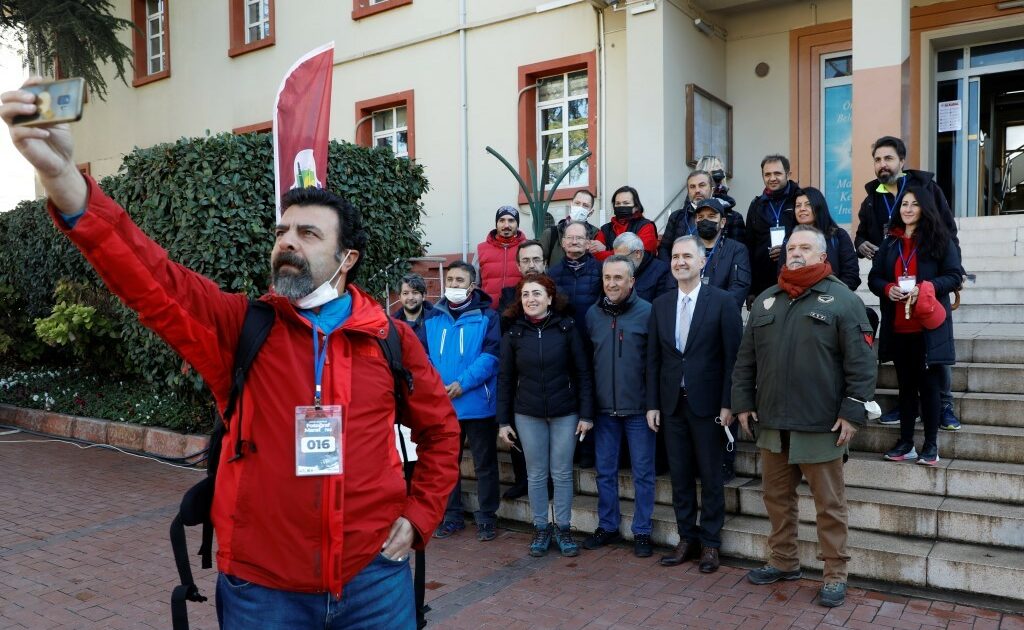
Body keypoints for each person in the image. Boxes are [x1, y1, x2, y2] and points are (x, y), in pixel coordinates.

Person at [0, 81, 462, 629]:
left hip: (373, 581)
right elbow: (153, 278)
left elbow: (440, 432)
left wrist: (420, 515)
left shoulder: (389, 338)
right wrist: (66, 182)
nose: (287, 241)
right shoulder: (243, 326)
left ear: (347, 258)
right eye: (282, 230)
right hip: (263, 591)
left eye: (308, 233)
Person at [732, 225, 877, 609]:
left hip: (820, 424)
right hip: (773, 423)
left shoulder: (843, 300)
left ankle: (834, 573)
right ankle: (783, 561)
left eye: (805, 247)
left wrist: (852, 412)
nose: (795, 252)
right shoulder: (765, 300)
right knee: (776, 498)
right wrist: (743, 403)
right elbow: (746, 360)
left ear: (822, 256)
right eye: (791, 246)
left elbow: (862, 364)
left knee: (829, 505)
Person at [646, 236, 742, 574]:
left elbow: (734, 357)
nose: (679, 262)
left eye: (687, 256)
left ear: (703, 262)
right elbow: (654, 359)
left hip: (711, 407)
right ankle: (686, 537)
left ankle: (711, 544)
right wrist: (653, 404)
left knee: (712, 477)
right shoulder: (660, 304)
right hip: (672, 405)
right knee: (681, 476)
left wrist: (729, 403)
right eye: (674, 256)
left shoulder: (723, 301)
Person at [854, 136, 962, 431]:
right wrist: (861, 244)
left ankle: (945, 405)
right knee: (906, 355)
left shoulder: (925, 188)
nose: (882, 165)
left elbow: (948, 230)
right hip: (897, 289)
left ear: (902, 160)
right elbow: (862, 234)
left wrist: (951, 270)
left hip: (927, 284)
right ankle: (907, 406)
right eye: (877, 160)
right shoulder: (873, 197)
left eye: (888, 158)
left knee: (935, 348)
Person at [497, 274, 595, 558]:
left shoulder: (567, 329)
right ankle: (541, 528)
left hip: (565, 412)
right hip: (527, 414)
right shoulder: (513, 334)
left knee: (562, 473)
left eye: (537, 293)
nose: (531, 299)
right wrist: (503, 421)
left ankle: (563, 528)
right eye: (526, 294)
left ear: (550, 298)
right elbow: (504, 379)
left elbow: (583, 373)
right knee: (536, 474)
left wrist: (586, 414)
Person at [869, 188, 960, 467]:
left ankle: (931, 445)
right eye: (904, 204)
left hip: (927, 328)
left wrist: (928, 286)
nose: (908, 209)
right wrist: (887, 288)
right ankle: (906, 442)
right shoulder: (890, 242)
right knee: (906, 388)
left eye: (915, 204)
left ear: (925, 209)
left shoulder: (939, 238)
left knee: (930, 388)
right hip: (898, 327)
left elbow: (955, 275)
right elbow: (874, 277)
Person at [582, 255, 656, 558]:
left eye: (618, 278)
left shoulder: (649, 313)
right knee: (605, 472)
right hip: (603, 411)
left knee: (643, 473)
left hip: (639, 410)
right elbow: (586, 364)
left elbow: (655, 364)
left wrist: (654, 404)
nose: (611, 284)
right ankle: (608, 525)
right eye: (607, 277)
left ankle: (642, 531)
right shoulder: (592, 314)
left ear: (631, 281)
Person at [425, 262, 503, 542]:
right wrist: (437, 385)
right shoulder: (432, 316)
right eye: (451, 280)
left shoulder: (487, 316)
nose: (454, 285)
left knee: (484, 464)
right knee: (448, 465)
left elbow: (491, 356)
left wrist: (463, 383)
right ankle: (452, 516)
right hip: (443, 404)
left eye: (460, 281)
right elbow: (423, 357)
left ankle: (487, 517)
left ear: (472, 286)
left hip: (477, 403)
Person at [496, 239, 548, 500]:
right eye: (525, 260)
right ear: (518, 264)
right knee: (517, 428)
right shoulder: (508, 296)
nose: (531, 265)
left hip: (551, 372)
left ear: (545, 262)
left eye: (536, 259)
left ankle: (546, 481)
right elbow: (505, 329)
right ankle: (521, 480)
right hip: (518, 372)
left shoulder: (555, 294)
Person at [779, 187, 860, 292]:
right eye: (798, 205)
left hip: (832, 300)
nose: (802, 209)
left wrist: (832, 295)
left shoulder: (838, 236)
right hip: (797, 298)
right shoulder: (789, 238)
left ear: (819, 206)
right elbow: (781, 272)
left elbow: (851, 274)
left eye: (808, 204)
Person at [745, 154, 799, 307]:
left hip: (795, 278)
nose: (772, 178)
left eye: (777, 173)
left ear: (788, 174)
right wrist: (751, 290)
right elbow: (749, 246)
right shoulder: (756, 205)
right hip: (764, 281)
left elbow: (810, 234)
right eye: (767, 174)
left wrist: (786, 248)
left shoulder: (800, 200)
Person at [692, 197, 750, 312]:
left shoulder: (737, 250)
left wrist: (712, 311)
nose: (705, 220)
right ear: (696, 222)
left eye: (711, 216)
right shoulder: (686, 250)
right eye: (700, 217)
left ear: (722, 222)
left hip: (721, 317)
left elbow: (739, 288)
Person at [548, 222, 604, 336]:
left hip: (593, 333)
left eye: (579, 238)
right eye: (570, 238)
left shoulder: (601, 270)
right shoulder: (552, 273)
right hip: (562, 335)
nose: (574, 242)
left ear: (588, 243)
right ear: (563, 243)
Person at [476, 205, 527, 306]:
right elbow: (473, 283)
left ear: (517, 224)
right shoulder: (481, 249)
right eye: (502, 220)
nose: (506, 225)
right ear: (496, 223)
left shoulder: (527, 248)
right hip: (488, 312)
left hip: (519, 313)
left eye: (511, 220)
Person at [591, 186, 658, 261]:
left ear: (636, 207)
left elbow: (639, 256)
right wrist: (625, 253)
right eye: (618, 203)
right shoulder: (605, 229)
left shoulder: (646, 226)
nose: (621, 206)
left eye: (626, 203)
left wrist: (607, 249)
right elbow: (595, 256)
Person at [539, 189, 600, 268]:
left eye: (585, 205)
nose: (580, 207)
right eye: (577, 203)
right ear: (571, 205)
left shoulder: (596, 234)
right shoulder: (551, 233)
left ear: (591, 212)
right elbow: (538, 262)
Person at [613, 232, 674, 303]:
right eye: (616, 258)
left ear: (637, 254)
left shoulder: (662, 271)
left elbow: (661, 307)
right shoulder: (617, 271)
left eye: (622, 258)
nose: (619, 263)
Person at [696, 155, 745, 243]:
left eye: (720, 169)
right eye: (714, 168)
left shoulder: (733, 217)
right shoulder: (687, 213)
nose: (719, 172)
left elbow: (736, 249)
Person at [392, 272, 439, 350]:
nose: (410, 297)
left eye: (415, 292)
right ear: (400, 297)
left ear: (423, 296)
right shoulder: (392, 323)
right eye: (405, 293)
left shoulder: (437, 319)